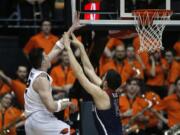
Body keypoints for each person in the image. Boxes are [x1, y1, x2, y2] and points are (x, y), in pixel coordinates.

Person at [24, 21, 79, 135]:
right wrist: (68, 103)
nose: (49, 57)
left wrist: (72, 28)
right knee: (69, 131)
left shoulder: (35, 69)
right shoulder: (42, 80)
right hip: (39, 119)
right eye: (45, 56)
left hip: (32, 121)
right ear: (43, 61)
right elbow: (51, 107)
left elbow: (57, 48)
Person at [64, 32, 123, 135]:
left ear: (106, 82)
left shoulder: (101, 94)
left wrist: (68, 49)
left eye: (104, 76)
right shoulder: (110, 91)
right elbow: (89, 70)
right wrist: (81, 47)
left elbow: (80, 75)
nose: (102, 76)